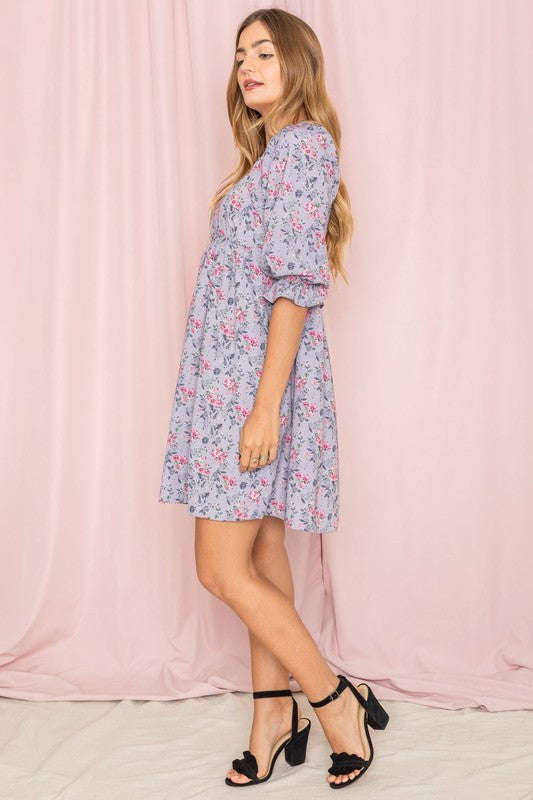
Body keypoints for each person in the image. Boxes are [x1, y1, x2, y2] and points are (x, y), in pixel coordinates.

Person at [159, 7, 390, 789]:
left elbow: (293, 292)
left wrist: (263, 406)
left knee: (219, 570)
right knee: (258, 556)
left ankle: (332, 699)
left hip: (252, 388)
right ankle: (269, 713)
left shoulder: (301, 150)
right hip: (232, 382)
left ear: (297, 62)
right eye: (238, 55)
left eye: (263, 51)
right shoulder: (272, 159)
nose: (246, 65)